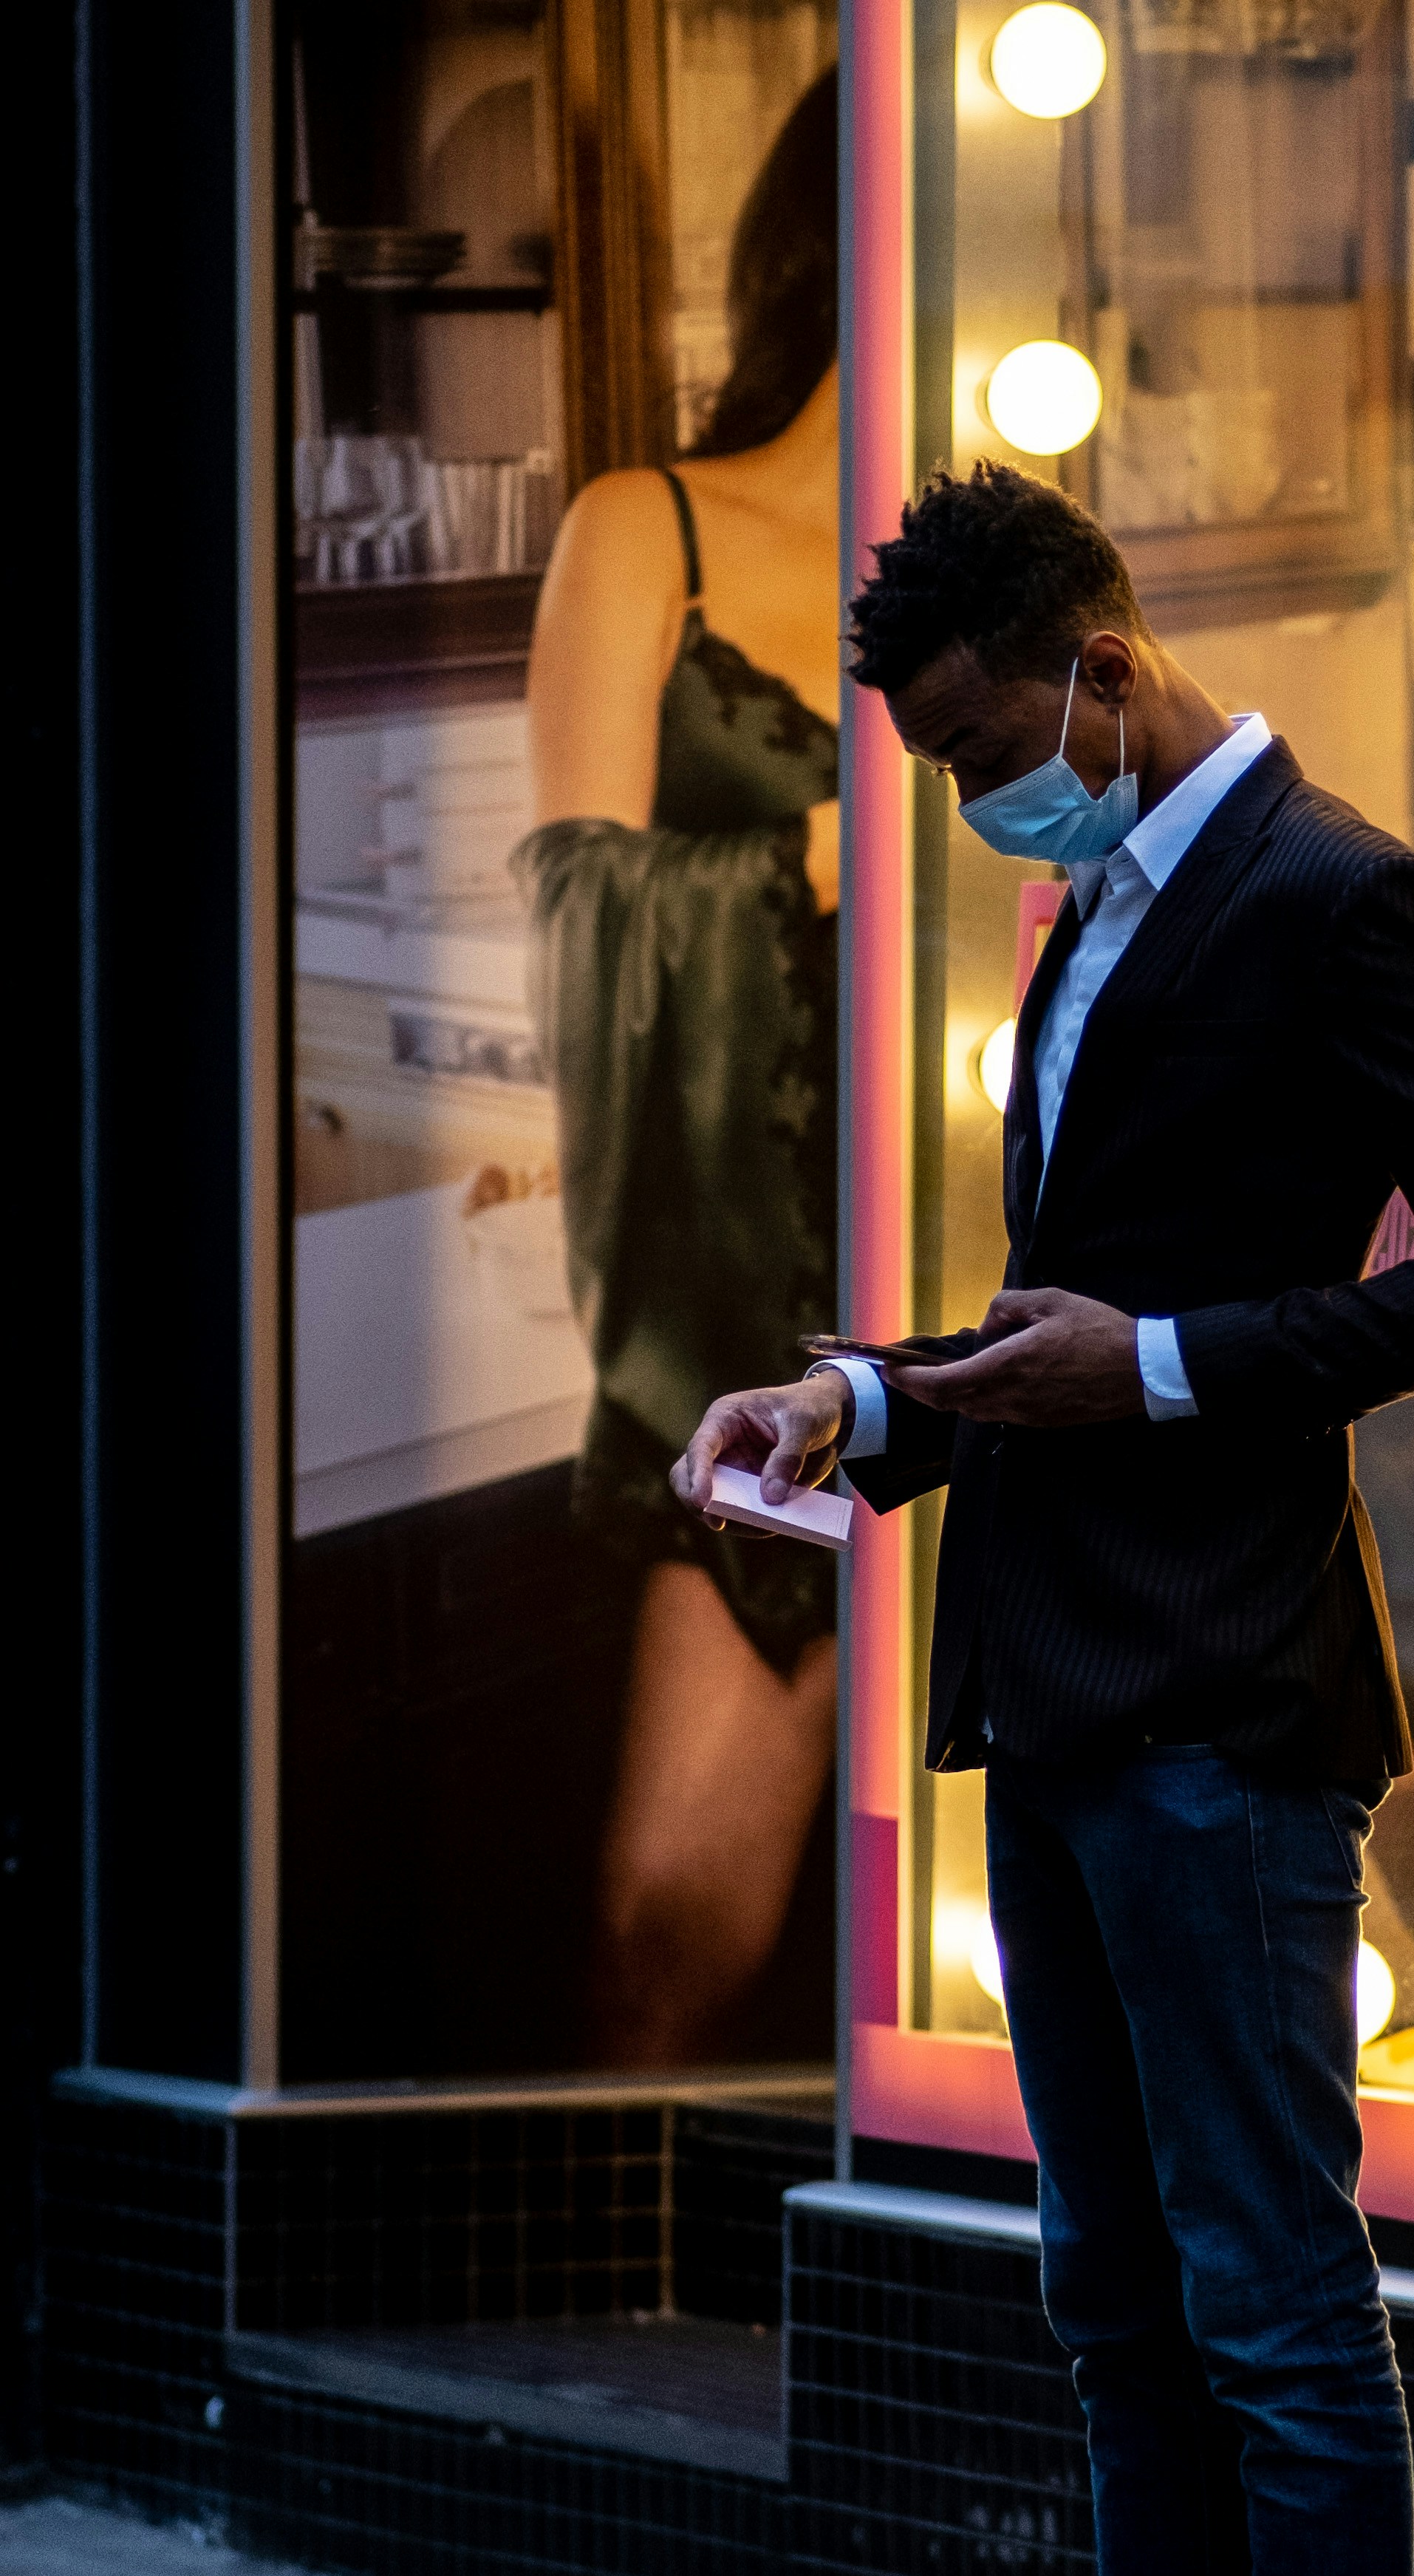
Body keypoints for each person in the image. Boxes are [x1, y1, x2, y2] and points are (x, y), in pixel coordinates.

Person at [672, 463, 1414, 2576]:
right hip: (1062, 1704)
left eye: (988, 741)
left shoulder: (1336, 892)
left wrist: (1177, 1370)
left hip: (1223, 1719)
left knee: (1280, 2337)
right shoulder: (1098, 912)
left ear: (1099, 661)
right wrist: (863, 1410)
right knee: (1124, 2334)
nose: (981, 799)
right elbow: (1056, 1322)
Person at [515, 72, 841, 2063]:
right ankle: (619, 2314)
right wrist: (800, 866)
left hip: (998, 1296)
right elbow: (577, 915)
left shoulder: (1031, 582)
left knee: (1017, 1949)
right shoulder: (647, 531)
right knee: (675, 1918)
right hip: (752, 1312)